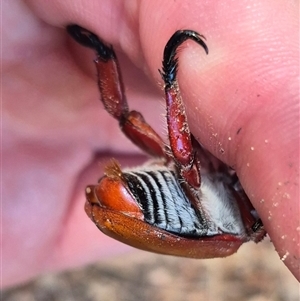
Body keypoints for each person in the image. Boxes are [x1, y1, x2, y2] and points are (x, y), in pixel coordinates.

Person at [3, 0, 299, 287]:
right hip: (138, 205)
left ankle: (123, 61)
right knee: (139, 130)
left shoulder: (238, 224)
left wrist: (172, 83)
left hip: (139, 208)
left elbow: (189, 166)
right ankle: (108, 55)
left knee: (174, 156)